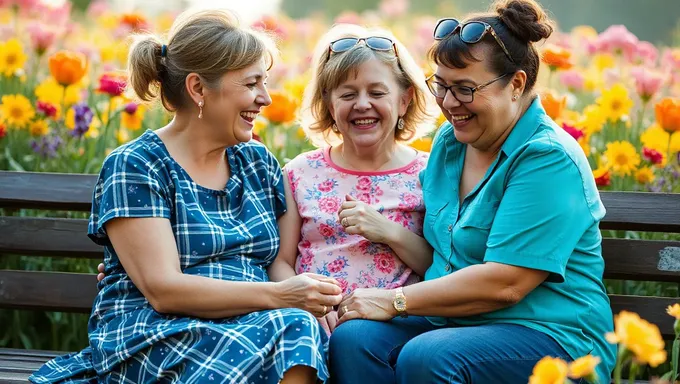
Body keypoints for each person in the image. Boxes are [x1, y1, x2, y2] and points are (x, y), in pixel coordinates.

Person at [30, 9, 343, 384]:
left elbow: (275, 261)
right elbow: (164, 290)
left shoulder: (257, 161)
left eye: (265, 82)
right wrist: (281, 296)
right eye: (251, 84)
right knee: (284, 326)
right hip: (157, 327)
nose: (264, 98)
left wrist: (301, 295)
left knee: (298, 328)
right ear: (198, 88)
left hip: (255, 320)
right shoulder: (137, 165)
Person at [328, 0, 616, 383]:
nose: (448, 103)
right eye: (442, 86)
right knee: (354, 338)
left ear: (516, 83)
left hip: (553, 338)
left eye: (465, 88)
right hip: (456, 324)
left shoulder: (547, 158)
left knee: (428, 356)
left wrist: (393, 300)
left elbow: (506, 283)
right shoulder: (452, 142)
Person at [266, 24, 440, 335]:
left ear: (404, 100)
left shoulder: (429, 174)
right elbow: (281, 262)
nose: (362, 104)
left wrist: (389, 232)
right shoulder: (298, 173)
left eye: (377, 92)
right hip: (314, 322)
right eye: (348, 94)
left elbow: (440, 270)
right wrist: (305, 304)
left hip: (394, 325)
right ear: (330, 105)